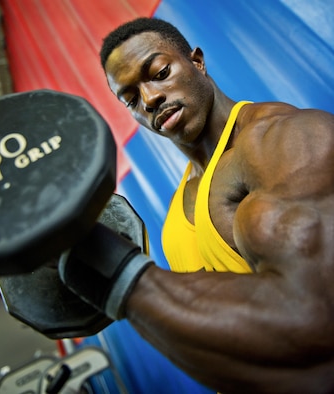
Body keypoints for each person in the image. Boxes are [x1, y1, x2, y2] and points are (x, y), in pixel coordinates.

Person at [61, 17, 334, 393]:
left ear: (198, 62)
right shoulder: (175, 215)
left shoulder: (285, 140)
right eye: (131, 98)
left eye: (158, 72)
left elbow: (319, 331)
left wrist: (122, 279)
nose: (150, 99)